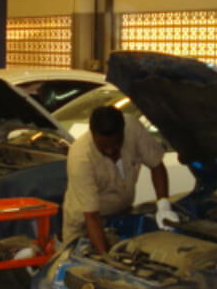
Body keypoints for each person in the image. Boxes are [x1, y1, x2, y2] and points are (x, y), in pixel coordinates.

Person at [62, 105, 178, 254]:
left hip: (121, 215)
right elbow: (91, 216)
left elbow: (156, 165)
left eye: (116, 144)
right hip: (84, 226)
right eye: (104, 146)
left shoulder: (132, 128)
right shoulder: (81, 158)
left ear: (123, 131)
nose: (110, 150)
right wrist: (105, 258)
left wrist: (163, 206)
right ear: (92, 134)